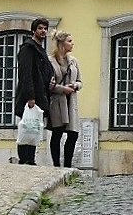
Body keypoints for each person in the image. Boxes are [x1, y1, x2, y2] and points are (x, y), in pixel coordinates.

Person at [15, 17, 54, 165]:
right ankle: (24, 159)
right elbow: (26, 74)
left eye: (45, 28)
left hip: (40, 93)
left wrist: (50, 80)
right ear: (33, 30)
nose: (43, 31)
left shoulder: (40, 50)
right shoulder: (27, 48)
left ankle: (30, 158)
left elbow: (46, 70)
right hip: (29, 96)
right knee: (27, 126)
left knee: (34, 127)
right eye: (40, 28)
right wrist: (30, 97)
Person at [47, 30, 83, 168]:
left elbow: (80, 80)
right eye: (69, 41)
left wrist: (75, 85)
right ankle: (56, 166)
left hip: (71, 102)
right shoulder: (50, 61)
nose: (72, 43)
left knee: (73, 134)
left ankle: (68, 165)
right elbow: (48, 85)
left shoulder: (74, 61)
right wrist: (63, 89)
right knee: (57, 134)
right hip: (57, 102)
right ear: (61, 44)